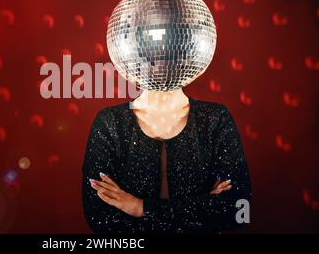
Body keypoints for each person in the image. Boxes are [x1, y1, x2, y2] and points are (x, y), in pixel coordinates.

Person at [82, 88, 251, 233]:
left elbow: (238, 210)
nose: (160, 60)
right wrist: (203, 207)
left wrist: (139, 207)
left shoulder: (215, 118)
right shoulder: (110, 121)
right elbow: (99, 217)